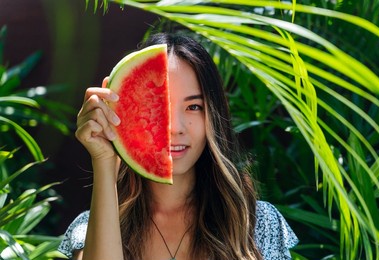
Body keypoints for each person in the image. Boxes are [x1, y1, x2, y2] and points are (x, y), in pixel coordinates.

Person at [58, 33, 298, 260]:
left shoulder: (256, 221)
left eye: (193, 107)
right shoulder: (91, 228)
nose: (175, 127)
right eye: (158, 108)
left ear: (213, 116)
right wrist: (103, 161)